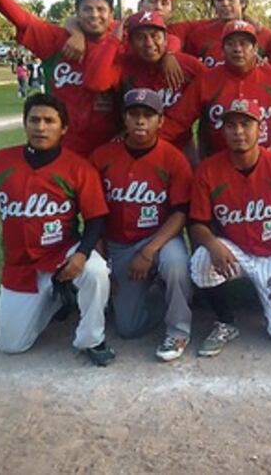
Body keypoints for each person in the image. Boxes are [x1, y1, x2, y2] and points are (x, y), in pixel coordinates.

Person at [0, 94, 114, 364]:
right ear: (25, 124)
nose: (40, 127)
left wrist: (81, 255)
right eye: (34, 120)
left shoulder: (78, 167)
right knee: (11, 345)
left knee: (96, 271)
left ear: (63, 128)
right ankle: (58, 300)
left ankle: (91, 338)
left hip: (62, 254)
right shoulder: (0, 162)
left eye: (49, 121)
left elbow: (96, 219)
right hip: (20, 266)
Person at [188, 98, 271, 356]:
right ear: (222, 131)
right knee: (202, 261)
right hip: (234, 252)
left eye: (246, 124)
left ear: (261, 129)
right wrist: (213, 243)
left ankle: (268, 306)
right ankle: (226, 321)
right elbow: (196, 224)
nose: (238, 132)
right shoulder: (208, 170)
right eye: (231, 125)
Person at [0, 0, 120, 156]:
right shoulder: (57, 39)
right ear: (77, 14)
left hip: (110, 148)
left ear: (111, 16)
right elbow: (23, 21)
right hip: (62, 147)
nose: (94, 15)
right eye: (87, 9)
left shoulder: (121, 44)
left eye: (101, 9)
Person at [90, 89, 194, 361]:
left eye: (148, 115)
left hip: (160, 238)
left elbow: (180, 212)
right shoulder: (102, 157)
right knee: (128, 328)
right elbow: (93, 216)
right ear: (123, 118)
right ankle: (160, 291)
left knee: (176, 264)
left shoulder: (173, 158)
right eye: (133, 114)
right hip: (118, 244)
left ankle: (179, 330)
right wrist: (104, 265)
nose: (140, 121)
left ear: (160, 121)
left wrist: (149, 251)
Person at [161, 20, 271, 156]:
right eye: (231, 44)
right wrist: (146, 144)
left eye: (244, 44)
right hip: (216, 160)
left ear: (255, 49)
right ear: (222, 49)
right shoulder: (206, 80)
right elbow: (177, 121)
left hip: (265, 159)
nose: (237, 49)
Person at [83, 10, 206, 158]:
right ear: (130, 42)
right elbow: (95, 83)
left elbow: (213, 88)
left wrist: (170, 53)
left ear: (166, 39)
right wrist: (114, 39)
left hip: (180, 145)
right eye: (140, 37)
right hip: (136, 146)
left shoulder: (187, 65)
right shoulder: (124, 65)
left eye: (155, 36)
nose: (149, 43)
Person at [168, 0, 271, 67]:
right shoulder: (199, 35)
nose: (225, 3)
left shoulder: (264, 35)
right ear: (214, 5)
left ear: (242, 2)